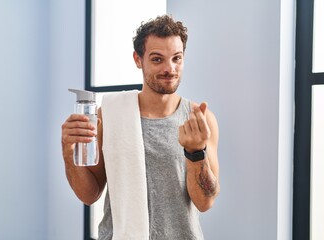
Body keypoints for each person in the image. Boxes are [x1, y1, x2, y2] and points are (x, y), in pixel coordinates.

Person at [61, 14, 220, 240]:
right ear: (138, 59)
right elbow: (89, 194)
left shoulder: (199, 121)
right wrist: (69, 151)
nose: (169, 68)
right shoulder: (110, 115)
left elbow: (205, 202)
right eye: (157, 59)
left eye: (177, 58)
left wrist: (196, 153)